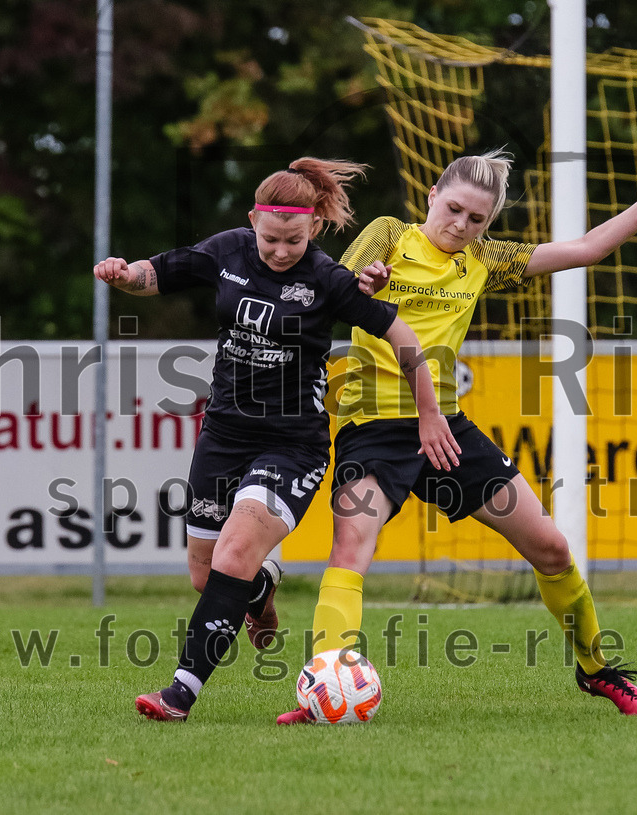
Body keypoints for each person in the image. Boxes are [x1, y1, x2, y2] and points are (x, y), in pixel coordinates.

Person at [276, 149, 637, 723]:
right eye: (454, 209)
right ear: (433, 195)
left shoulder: (484, 260)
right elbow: (349, 281)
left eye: (477, 219)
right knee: (351, 548)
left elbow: (584, 250)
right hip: (374, 428)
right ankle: (323, 690)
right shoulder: (389, 234)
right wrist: (369, 281)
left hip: (447, 432)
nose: (460, 225)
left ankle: (597, 669)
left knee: (552, 548)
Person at [94, 157, 458, 721]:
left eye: (293, 240)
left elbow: (401, 333)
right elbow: (160, 272)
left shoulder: (328, 279)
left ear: (313, 226)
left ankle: (180, 693)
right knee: (204, 573)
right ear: (252, 224)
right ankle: (260, 590)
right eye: (270, 240)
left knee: (234, 552)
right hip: (223, 434)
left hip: (293, 443)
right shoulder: (229, 251)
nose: (280, 251)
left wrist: (429, 411)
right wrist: (124, 274)